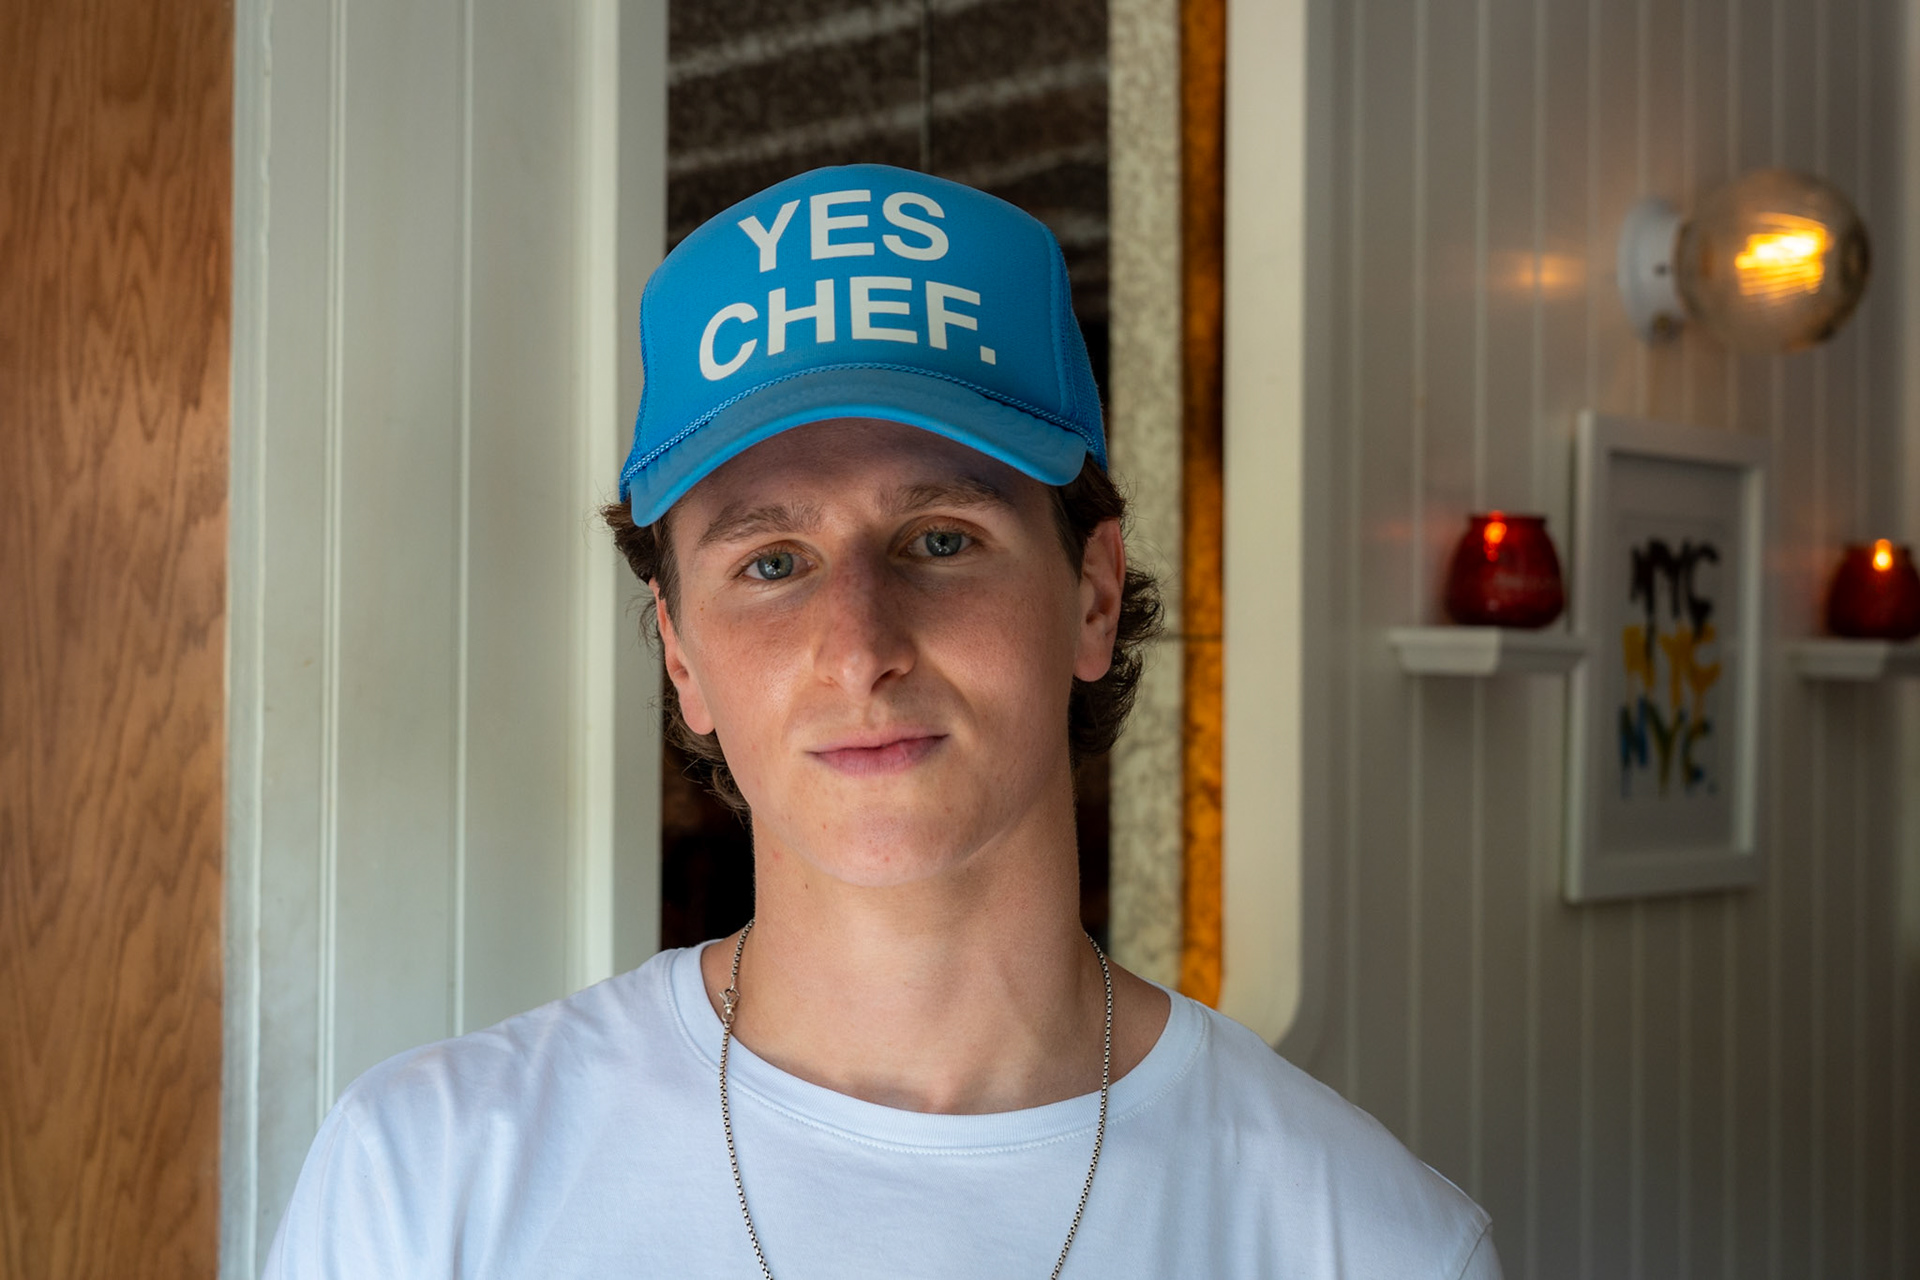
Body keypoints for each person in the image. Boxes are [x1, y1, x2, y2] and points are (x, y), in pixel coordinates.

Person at [264, 163, 1502, 1279]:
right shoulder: (422, 1180)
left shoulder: (1372, 1241)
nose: (860, 648)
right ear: (682, 651)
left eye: (941, 539)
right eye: (771, 562)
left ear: (1091, 593)